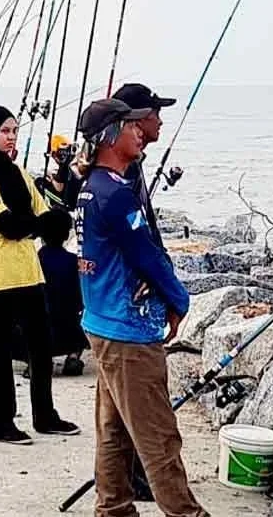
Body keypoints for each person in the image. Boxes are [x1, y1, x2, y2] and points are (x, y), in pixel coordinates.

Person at [74, 97, 201, 517]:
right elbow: (145, 254)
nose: (139, 132)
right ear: (111, 136)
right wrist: (178, 300)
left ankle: (113, 507)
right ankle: (186, 513)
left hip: (101, 320)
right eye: (130, 127)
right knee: (158, 437)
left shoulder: (91, 187)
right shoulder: (115, 195)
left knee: (114, 432)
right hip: (127, 330)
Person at [0, 105, 79, 445]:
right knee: (0, 347)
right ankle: (1, 422)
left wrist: (41, 222)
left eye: (14, 131)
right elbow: (6, 224)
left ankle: (44, 414)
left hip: (29, 269)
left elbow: (49, 214)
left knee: (41, 344)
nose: (11, 137)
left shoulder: (18, 170)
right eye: (5, 131)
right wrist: (36, 225)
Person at [111, 83, 177, 251]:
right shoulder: (123, 171)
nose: (160, 121)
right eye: (156, 113)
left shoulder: (131, 164)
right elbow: (134, 228)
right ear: (137, 120)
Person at [37, 206, 88, 376]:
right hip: (70, 332)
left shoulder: (33, 262)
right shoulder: (74, 262)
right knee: (83, 320)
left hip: (40, 331)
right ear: (67, 235)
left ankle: (38, 360)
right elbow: (82, 298)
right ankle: (73, 356)